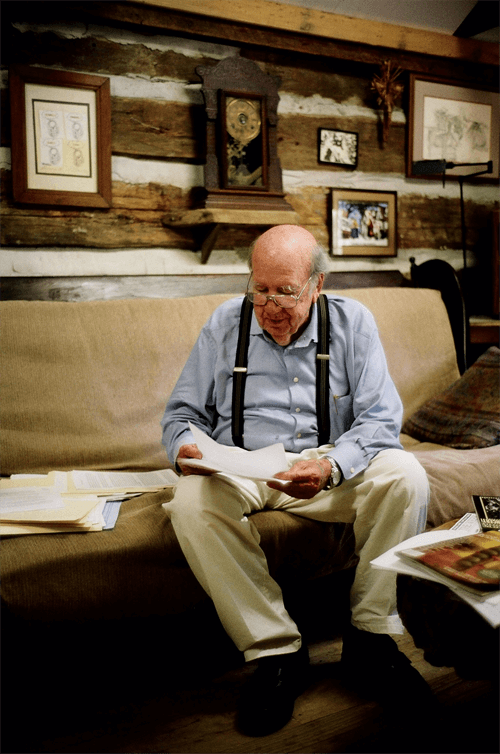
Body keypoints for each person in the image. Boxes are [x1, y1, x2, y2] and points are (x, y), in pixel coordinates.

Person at [161, 225, 431, 736]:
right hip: (242, 465)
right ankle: (278, 652)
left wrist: (331, 466)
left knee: (406, 475)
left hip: (326, 465)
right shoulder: (224, 323)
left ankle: (371, 640)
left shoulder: (353, 323)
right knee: (190, 501)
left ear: (316, 284)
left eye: (285, 291)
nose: (269, 306)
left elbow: (380, 419)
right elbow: (181, 414)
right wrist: (184, 449)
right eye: (259, 289)